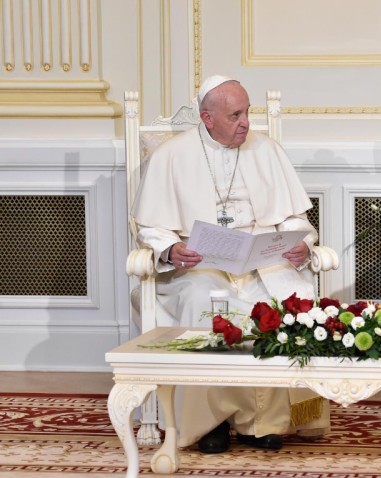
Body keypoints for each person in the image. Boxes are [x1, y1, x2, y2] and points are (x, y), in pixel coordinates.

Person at [133, 75, 330, 453]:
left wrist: (301, 245)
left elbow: (294, 219)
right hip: (199, 265)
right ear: (207, 118)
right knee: (204, 302)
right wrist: (171, 249)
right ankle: (211, 423)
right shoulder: (170, 156)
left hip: (262, 262)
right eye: (235, 115)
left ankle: (264, 422)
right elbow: (150, 227)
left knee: (287, 299)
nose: (246, 123)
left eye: (247, 112)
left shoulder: (266, 150)